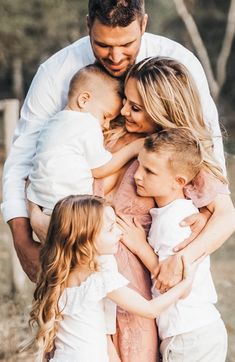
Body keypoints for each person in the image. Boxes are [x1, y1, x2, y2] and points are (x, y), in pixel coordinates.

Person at [1, 0, 226, 282]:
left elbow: (208, 157)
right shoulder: (56, 73)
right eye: (103, 45)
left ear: (144, 23)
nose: (116, 56)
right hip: (86, 244)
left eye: (127, 44)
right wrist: (24, 243)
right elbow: (21, 161)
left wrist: (202, 216)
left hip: (154, 251)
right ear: (87, 25)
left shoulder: (177, 65)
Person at [29, 56, 235, 362]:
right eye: (126, 100)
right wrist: (33, 215)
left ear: (162, 110)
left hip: (136, 295)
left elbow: (224, 215)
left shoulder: (171, 154)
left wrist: (185, 254)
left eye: (135, 107)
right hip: (86, 293)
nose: (124, 111)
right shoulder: (100, 130)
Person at [28, 194, 200, 362]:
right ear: (84, 239)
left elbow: (98, 333)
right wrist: (185, 284)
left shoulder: (57, 278)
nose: (119, 232)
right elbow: (150, 309)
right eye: (110, 228)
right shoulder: (99, 280)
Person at [118, 128, 228, 362]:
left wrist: (139, 246)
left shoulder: (175, 221)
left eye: (150, 171)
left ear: (178, 182)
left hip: (188, 334)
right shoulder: (174, 213)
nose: (137, 175)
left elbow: (177, 283)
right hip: (193, 330)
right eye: (139, 165)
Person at [27, 63, 143, 212]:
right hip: (72, 205)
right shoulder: (87, 123)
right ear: (83, 100)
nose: (106, 125)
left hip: (43, 201)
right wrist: (133, 149)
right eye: (105, 116)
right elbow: (100, 169)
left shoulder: (52, 123)